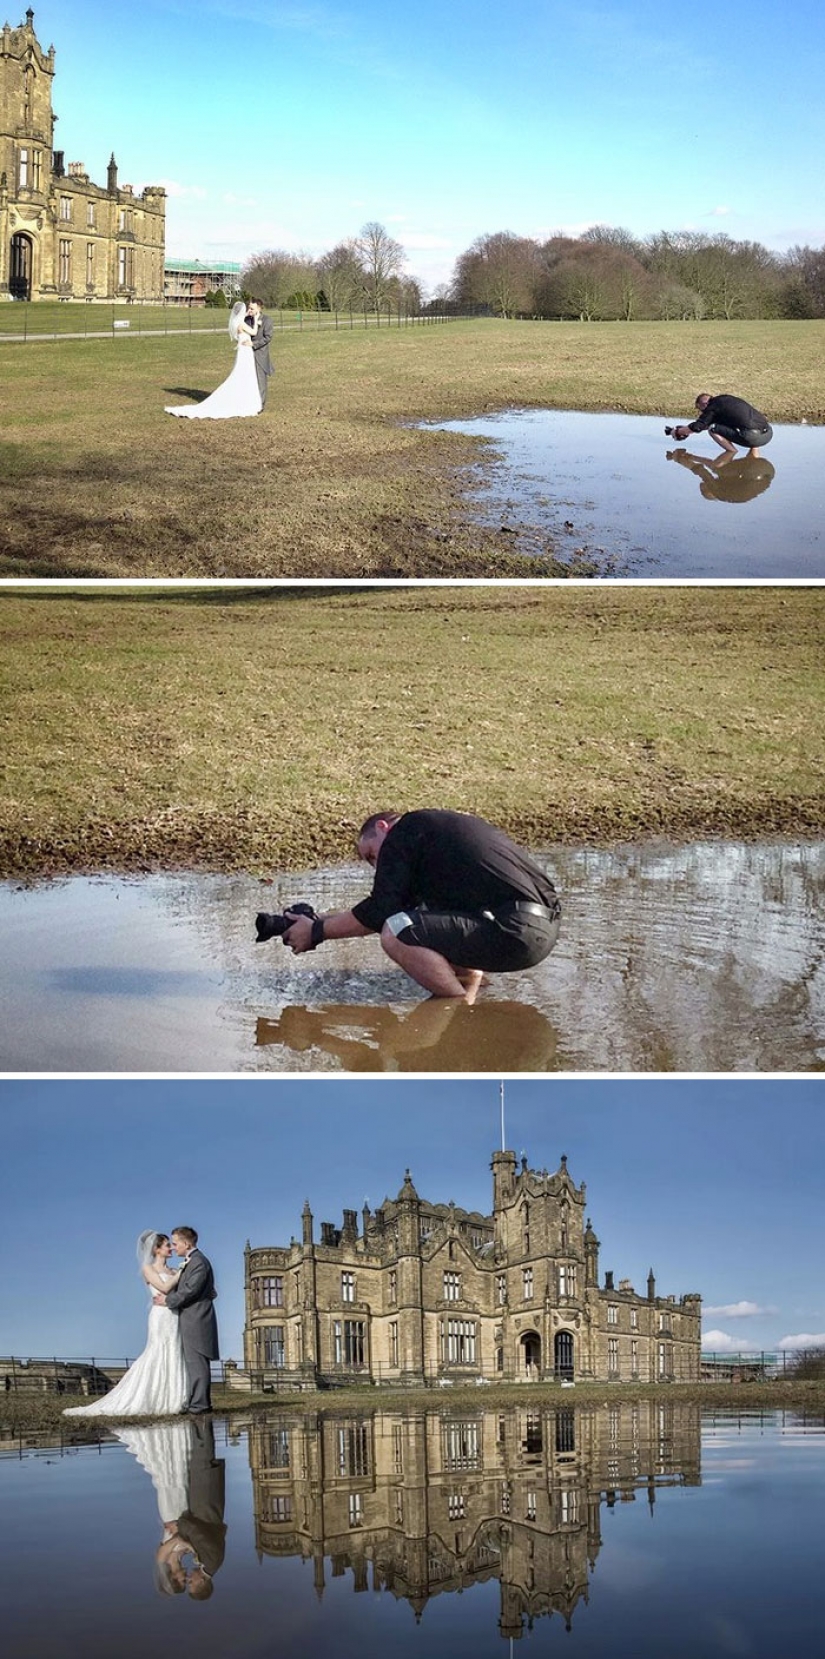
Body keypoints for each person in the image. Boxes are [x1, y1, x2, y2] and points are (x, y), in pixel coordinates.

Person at [281, 808, 561, 1003]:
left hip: (514, 928)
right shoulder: (435, 843)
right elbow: (380, 912)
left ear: (383, 827)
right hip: (540, 932)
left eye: (371, 855)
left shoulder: (405, 830)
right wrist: (316, 921)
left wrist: (316, 932)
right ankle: (473, 991)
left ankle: (456, 1009)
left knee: (396, 930)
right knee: (416, 923)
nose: (377, 866)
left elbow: (381, 914)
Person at [63, 1232, 188, 1418]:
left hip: (174, 1315)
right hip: (160, 1316)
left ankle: (174, 1399)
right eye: (166, 1245)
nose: (171, 1248)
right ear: (156, 1249)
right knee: (157, 1352)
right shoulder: (148, 1269)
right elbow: (164, 1288)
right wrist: (181, 1272)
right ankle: (150, 1399)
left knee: (175, 1352)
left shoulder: (172, 1271)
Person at [155, 1228, 219, 1415]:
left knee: (197, 1361)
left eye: (175, 1243)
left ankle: (200, 1405)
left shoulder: (198, 1262)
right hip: (192, 1316)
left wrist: (167, 1300)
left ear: (187, 1244)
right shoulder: (192, 1262)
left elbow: (190, 1290)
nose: (174, 1248)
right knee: (193, 1362)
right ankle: (197, 1402)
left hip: (196, 1318)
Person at [165, 301, 262, 419]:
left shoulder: (237, 321)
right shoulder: (241, 323)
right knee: (245, 374)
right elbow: (254, 332)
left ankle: (243, 397)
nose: (249, 311)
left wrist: (247, 315)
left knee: (243, 374)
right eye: (247, 309)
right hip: (246, 350)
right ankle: (244, 400)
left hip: (242, 350)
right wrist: (256, 319)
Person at [669, 393, 773, 458]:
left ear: (704, 404)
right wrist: (686, 429)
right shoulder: (725, 399)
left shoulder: (712, 407)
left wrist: (678, 432)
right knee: (747, 426)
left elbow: (699, 426)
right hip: (768, 433)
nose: (701, 413)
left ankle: (731, 454)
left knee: (712, 429)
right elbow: (709, 424)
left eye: (699, 409)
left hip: (753, 437)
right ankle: (754, 460)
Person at [245, 298, 274, 408]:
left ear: (259, 308)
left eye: (252, 308)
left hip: (260, 354)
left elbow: (268, 337)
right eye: (249, 307)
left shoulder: (267, 320)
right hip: (247, 354)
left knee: (260, 380)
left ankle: (260, 405)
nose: (250, 310)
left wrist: (253, 344)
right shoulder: (247, 319)